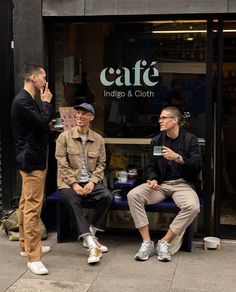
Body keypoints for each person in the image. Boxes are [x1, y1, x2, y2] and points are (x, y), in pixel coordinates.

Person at [127, 106, 202, 262]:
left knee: (193, 207)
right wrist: (153, 178)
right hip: (160, 185)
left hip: (182, 184)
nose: (159, 121)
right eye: (160, 117)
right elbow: (151, 166)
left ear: (174, 120)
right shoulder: (157, 140)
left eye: (163, 118)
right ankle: (147, 243)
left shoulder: (190, 140)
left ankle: (164, 242)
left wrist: (178, 158)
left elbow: (197, 165)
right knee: (133, 195)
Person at [55, 103, 113, 265]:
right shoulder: (64, 137)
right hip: (68, 183)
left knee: (107, 196)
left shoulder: (98, 139)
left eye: (84, 114)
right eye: (78, 113)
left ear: (91, 117)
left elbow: (102, 164)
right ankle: (92, 244)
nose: (79, 116)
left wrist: (93, 182)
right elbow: (61, 163)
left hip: (89, 182)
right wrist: (74, 184)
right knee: (73, 201)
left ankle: (91, 233)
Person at [11, 64, 53, 275]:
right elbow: (41, 124)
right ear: (34, 77)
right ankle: (33, 257)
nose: (45, 81)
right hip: (31, 161)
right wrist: (46, 103)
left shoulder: (27, 100)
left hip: (32, 157)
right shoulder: (23, 101)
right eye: (43, 77)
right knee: (33, 208)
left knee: (25, 202)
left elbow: (39, 126)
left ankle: (24, 245)